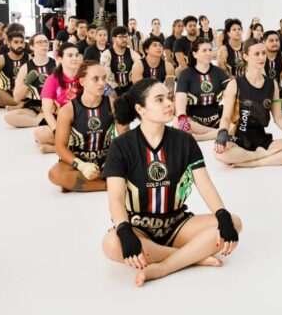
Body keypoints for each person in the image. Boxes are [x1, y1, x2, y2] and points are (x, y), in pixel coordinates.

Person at [100, 79, 242, 287]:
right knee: (111, 243)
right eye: (159, 100)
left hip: (177, 224)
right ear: (140, 109)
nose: (169, 103)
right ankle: (194, 256)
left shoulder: (185, 140)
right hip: (139, 227)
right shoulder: (121, 145)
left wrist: (222, 214)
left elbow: (205, 184)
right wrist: (123, 229)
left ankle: (164, 267)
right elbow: (116, 198)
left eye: (168, 97)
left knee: (234, 222)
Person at [214, 39, 282, 167]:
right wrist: (222, 134)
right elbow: (226, 117)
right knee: (219, 154)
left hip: (262, 139)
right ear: (245, 56)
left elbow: (279, 118)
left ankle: (255, 162)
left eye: (263, 53)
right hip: (237, 139)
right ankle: (260, 155)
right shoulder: (234, 84)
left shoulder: (272, 84)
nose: (262, 57)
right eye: (256, 54)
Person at [48, 62, 127, 192]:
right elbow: (60, 147)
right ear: (83, 81)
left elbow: (125, 138)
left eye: (104, 78)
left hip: (106, 159)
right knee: (55, 173)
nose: (102, 83)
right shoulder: (68, 110)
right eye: (95, 79)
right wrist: (81, 166)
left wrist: (116, 159)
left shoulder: (114, 105)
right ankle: (107, 185)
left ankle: (83, 183)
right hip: (79, 161)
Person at [174, 39, 230, 141]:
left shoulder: (220, 72)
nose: (208, 53)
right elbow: (181, 98)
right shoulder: (186, 74)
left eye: (210, 50)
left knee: (238, 122)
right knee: (177, 123)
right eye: (204, 50)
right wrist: (182, 117)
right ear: (195, 54)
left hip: (217, 119)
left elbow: (230, 96)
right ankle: (219, 133)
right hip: (194, 120)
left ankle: (199, 137)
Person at [34, 42, 83, 153]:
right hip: (60, 120)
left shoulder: (85, 76)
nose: (74, 58)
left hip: (82, 119)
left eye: (76, 55)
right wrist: (57, 131)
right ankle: (69, 146)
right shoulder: (52, 79)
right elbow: (46, 110)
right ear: (60, 59)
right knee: (40, 133)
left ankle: (58, 148)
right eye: (70, 55)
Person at [4, 33, 56, 129]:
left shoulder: (56, 64)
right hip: (34, 105)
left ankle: (44, 118)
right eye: (39, 42)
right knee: (9, 117)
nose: (44, 44)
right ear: (32, 46)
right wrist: (27, 82)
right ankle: (40, 122)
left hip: (53, 104)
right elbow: (17, 97)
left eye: (46, 42)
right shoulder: (25, 68)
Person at [0, 32, 27, 109]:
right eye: (16, 42)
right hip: (8, 94)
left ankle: (19, 105)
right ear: (9, 45)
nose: (20, 45)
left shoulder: (30, 58)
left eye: (22, 42)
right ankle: (23, 105)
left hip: (24, 93)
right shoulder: (0, 59)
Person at [103, 26, 141, 97]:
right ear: (114, 39)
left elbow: (141, 64)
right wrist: (116, 88)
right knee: (109, 92)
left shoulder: (131, 52)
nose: (124, 39)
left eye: (126, 36)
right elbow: (107, 75)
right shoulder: (107, 54)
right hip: (112, 87)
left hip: (129, 86)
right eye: (120, 37)